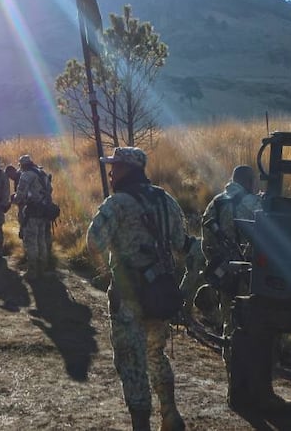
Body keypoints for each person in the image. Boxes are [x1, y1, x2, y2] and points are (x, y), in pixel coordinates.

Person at [87, 147, 188, 431]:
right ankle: (170, 415)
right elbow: (181, 243)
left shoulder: (117, 203)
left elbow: (93, 242)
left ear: (127, 169)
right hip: (160, 293)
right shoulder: (166, 199)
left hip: (129, 296)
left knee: (132, 361)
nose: (111, 171)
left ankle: (140, 425)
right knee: (156, 353)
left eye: (115, 166)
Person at [200, 165, 261, 340]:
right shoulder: (254, 203)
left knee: (229, 319)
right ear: (249, 182)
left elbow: (206, 242)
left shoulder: (216, 203)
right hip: (249, 272)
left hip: (224, 270)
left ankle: (230, 360)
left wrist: (216, 264)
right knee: (252, 322)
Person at [13, 154, 55, 279]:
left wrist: (14, 199)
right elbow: (50, 189)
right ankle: (42, 269)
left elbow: (20, 194)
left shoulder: (26, 175)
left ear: (22, 165)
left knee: (31, 241)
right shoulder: (42, 173)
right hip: (44, 212)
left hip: (32, 212)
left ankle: (32, 271)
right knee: (41, 240)